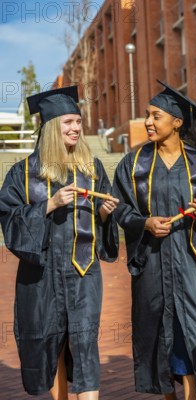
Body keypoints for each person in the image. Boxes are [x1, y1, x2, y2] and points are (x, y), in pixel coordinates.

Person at [0, 86, 119, 399]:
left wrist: (106, 216)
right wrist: (49, 205)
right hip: (41, 278)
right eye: (68, 122)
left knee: (84, 344)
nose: (76, 128)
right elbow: (10, 222)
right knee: (50, 344)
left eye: (78, 122)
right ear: (52, 127)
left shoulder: (91, 171)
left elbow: (103, 230)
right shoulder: (23, 174)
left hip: (83, 273)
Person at [112, 81, 196, 400]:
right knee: (163, 337)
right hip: (153, 266)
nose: (148, 121)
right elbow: (118, 207)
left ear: (177, 122)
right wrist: (143, 222)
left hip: (194, 267)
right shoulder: (133, 165)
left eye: (156, 116)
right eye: (147, 115)